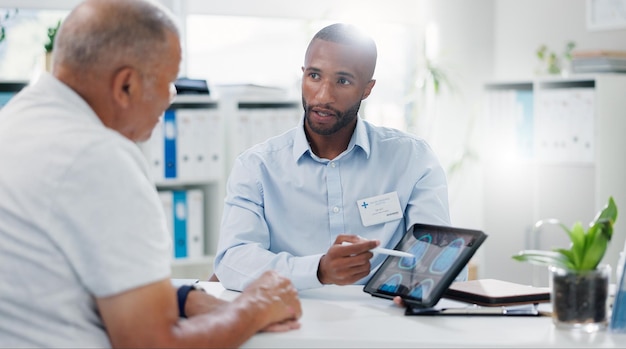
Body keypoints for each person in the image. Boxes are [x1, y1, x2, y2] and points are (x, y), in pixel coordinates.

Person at [0, 0, 301, 347]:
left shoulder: (16, 121)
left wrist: (184, 295)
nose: (171, 98)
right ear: (126, 85)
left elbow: (60, 275)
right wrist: (255, 307)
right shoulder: (100, 158)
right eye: (170, 82)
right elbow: (155, 344)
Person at [214, 23, 463, 292]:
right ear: (303, 75)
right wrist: (318, 270)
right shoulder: (256, 167)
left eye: (343, 81)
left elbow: (437, 255)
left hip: (387, 321)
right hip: (292, 321)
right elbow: (233, 259)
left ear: (367, 89)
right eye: (314, 76)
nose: (323, 96)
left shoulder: (412, 158)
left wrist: (419, 288)